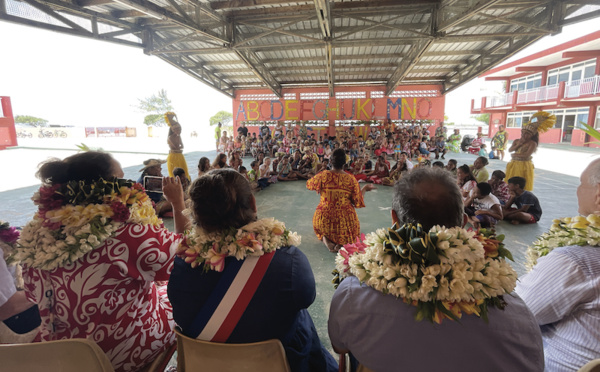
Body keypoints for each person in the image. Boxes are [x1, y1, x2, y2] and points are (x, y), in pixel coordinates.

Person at [328, 167, 543, 372]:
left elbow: (341, 347)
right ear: (463, 222)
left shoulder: (353, 294)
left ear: (394, 219)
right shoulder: (514, 312)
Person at [13, 151, 183, 372]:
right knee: (179, 300)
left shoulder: (36, 236)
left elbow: (31, 293)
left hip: (58, 354)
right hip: (114, 353)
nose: (131, 186)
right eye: (123, 180)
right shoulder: (126, 234)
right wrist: (178, 203)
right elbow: (184, 261)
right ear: (106, 188)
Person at [166, 169, 338, 372]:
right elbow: (305, 297)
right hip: (278, 364)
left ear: (195, 214)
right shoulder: (288, 262)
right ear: (253, 204)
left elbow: (181, 313)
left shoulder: (185, 262)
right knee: (299, 314)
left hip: (206, 365)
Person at [516, 158, 600, 371]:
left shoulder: (576, 261)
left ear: (598, 196)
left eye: (581, 184)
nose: (578, 190)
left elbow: (516, 315)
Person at [306, 149, 374, 252]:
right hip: (344, 220)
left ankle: (326, 239)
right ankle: (341, 243)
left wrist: (318, 179)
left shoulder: (323, 175)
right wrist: (364, 189)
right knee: (352, 231)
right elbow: (357, 202)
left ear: (330, 161)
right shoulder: (351, 179)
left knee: (321, 223)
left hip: (324, 218)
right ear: (345, 163)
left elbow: (309, 184)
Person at [505, 111, 555, 191]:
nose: (524, 135)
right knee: (511, 181)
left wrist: (515, 155)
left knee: (520, 184)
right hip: (514, 164)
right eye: (523, 133)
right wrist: (519, 145)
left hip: (524, 165)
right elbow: (510, 150)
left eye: (527, 134)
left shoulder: (532, 143)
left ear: (532, 135)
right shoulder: (517, 141)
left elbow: (526, 155)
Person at [165, 112, 189, 179]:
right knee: (175, 174)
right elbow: (176, 147)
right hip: (174, 156)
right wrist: (179, 146)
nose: (179, 131)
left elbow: (182, 146)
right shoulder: (170, 138)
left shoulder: (178, 136)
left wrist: (178, 138)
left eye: (180, 129)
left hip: (180, 155)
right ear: (173, 130)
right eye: (177, 129)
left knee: (183, 171)